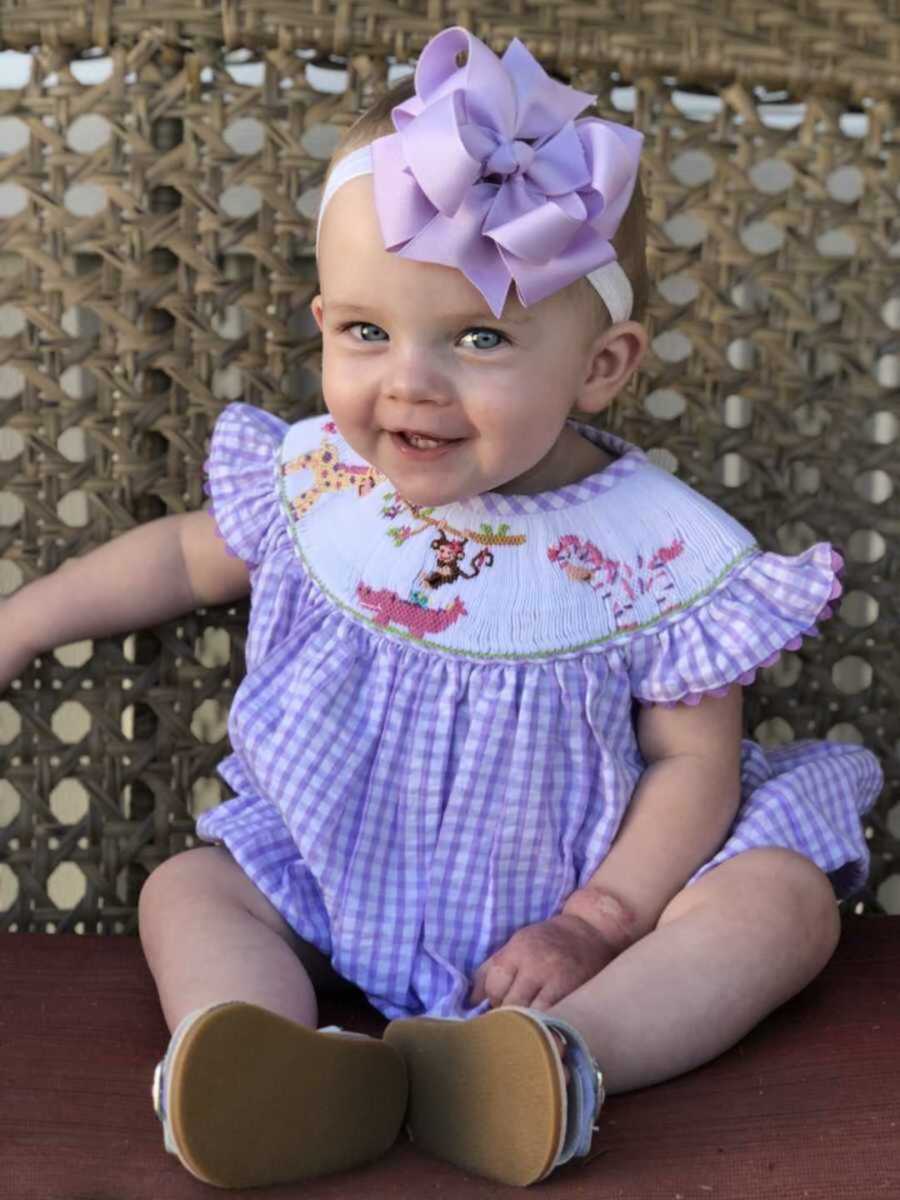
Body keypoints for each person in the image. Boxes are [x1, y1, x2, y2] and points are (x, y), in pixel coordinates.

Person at [0, 25, 882, 1192]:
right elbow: (174, 559)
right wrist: (18, 622)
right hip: (330, 870)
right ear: (323, 324)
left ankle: (553, 1066)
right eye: (368, 331)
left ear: (603, 365)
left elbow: (692, 766)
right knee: (192, 888)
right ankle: (263, 1061)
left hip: (594, 907)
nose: (409, 382)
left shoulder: (664, 550)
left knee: (781, 905)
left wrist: (601, 921)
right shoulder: (320, 483)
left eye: (478, 338)